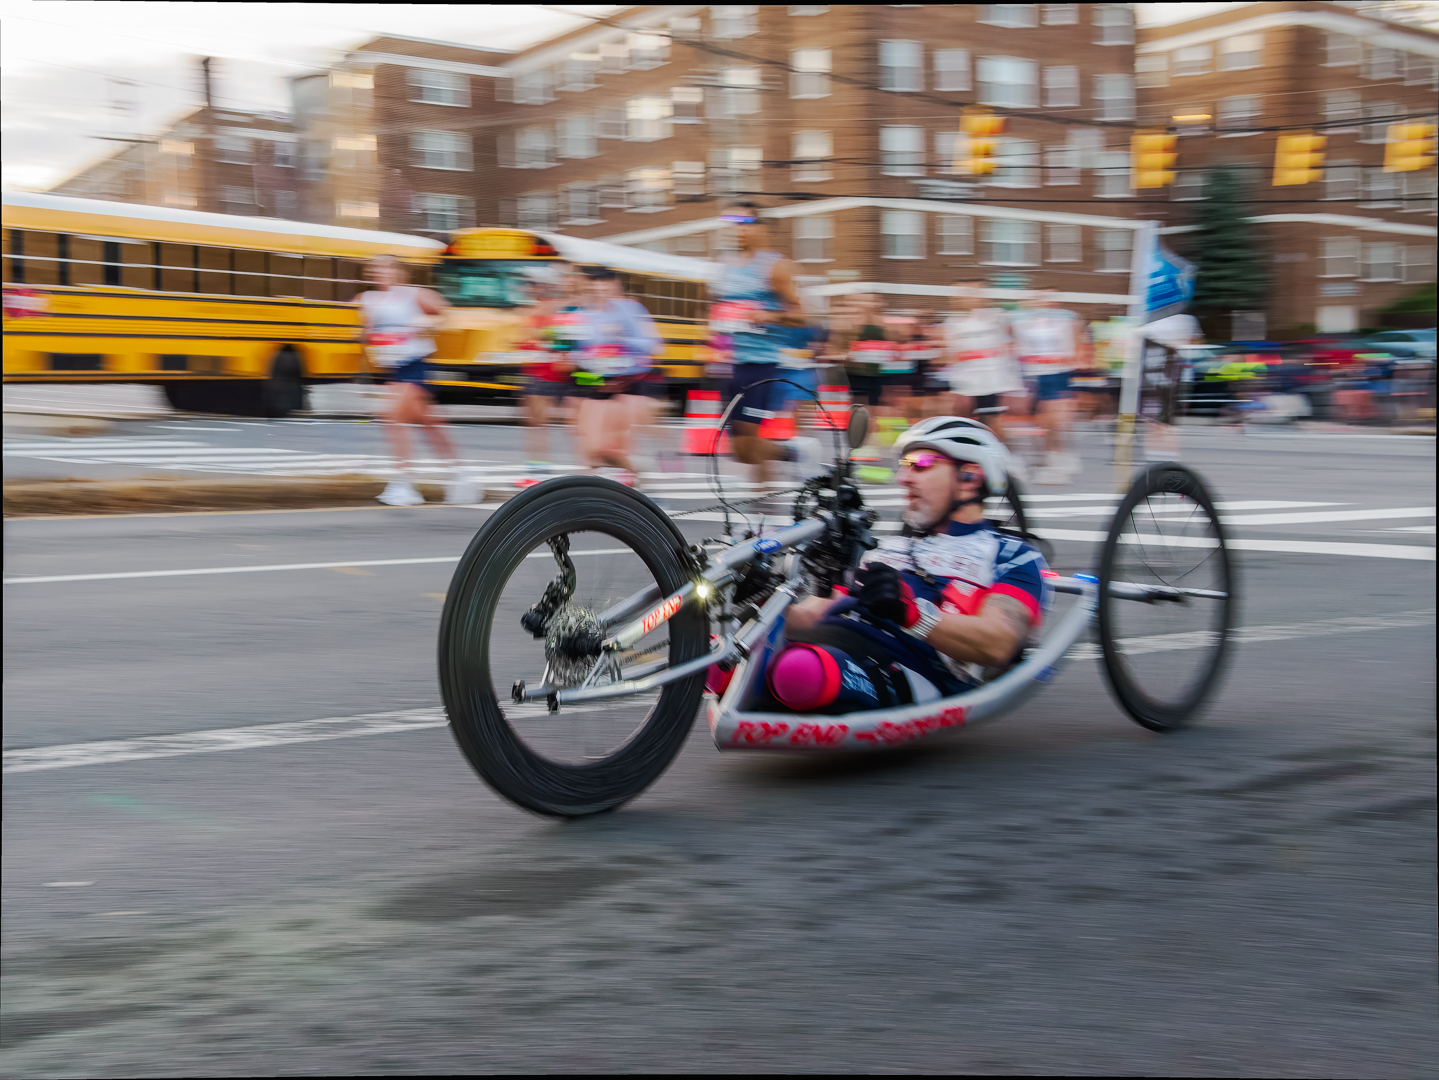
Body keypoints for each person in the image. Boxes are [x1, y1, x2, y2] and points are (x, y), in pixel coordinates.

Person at [770, 416, 1049, 714]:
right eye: (904, 464)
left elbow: (999, 643)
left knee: (797, 671)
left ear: (970, 478)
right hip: (828, 643)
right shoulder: (891, 546)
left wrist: (911, 613)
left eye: (920, 463)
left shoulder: (1011, 555)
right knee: (727, 661)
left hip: (908, 667)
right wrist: (762, 601)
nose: (903, 477)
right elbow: (809, 616)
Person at [710, 201, 821, 489]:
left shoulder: (775, 266)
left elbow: (803, 316)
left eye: (745, 224)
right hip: (735, 364)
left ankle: (763, 502)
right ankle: (792, 452)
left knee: (750, 437)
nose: (737, 231)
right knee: (741, 451)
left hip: (764, 365)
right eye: (731, 224)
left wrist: (767, 315)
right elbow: (720, 310)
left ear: (760, 229)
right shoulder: (723, 267)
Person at [359, 255, 469, 507]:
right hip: (391, 368)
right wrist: (368, 336)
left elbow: (445, 313)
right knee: (429, 423)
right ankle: (458, 474)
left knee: (393, 416)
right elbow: (369, 331)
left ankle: (403, 482)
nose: (379, 273)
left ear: (398, 272)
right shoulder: (370, 300)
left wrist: (424, 324)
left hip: (415, 365)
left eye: (384, 268)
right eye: (375, 269)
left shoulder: (414, 295)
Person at [570, 265, 661, 486]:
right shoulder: (580, 315)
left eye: (604, 283)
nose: (599, 288)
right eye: (594, 283)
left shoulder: (630, 310)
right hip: (592, 380)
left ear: (614, 285)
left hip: (625, 382)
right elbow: (576, 351)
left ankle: (632, 472)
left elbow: (654, 345)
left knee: (607, 447)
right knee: (592, 449)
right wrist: (574, 357)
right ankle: (631, 469)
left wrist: (622, 338)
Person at [942, 281, 1025, 463]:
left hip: (992, 381)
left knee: (994, 425)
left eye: (974, 292)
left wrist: (1015, 385)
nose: (969, 297)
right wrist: (954, 385)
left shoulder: (997, 317)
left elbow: (1013, 346)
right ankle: (966, 460)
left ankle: (1010, 460)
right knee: (960, 423)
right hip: (966, 384)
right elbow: (951, 356)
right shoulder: (953, 322)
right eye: (965, 293)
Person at [1009, 289, 1085, 484]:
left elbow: (1075, 340)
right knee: (1039, 420)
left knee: (1051, 419)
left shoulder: (1063, 320)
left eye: (1046, 298)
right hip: (1033, 375)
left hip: (1055, 374)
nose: (1041, 302)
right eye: (1038, 298)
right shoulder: (1024, 320)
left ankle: (1056, 460)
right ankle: (1049, 459)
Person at [517, 262, 579, 482]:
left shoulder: (558, 307)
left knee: (576, 426)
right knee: (535, 424)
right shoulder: (536, 308)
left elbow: (561, 338)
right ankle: (536, 474)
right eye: (528, 284)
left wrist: (539, 337)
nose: (528, 288)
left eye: (532, 284)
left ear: (544, 285)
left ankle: (589, 473)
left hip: (558, 373)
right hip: (538, 373)